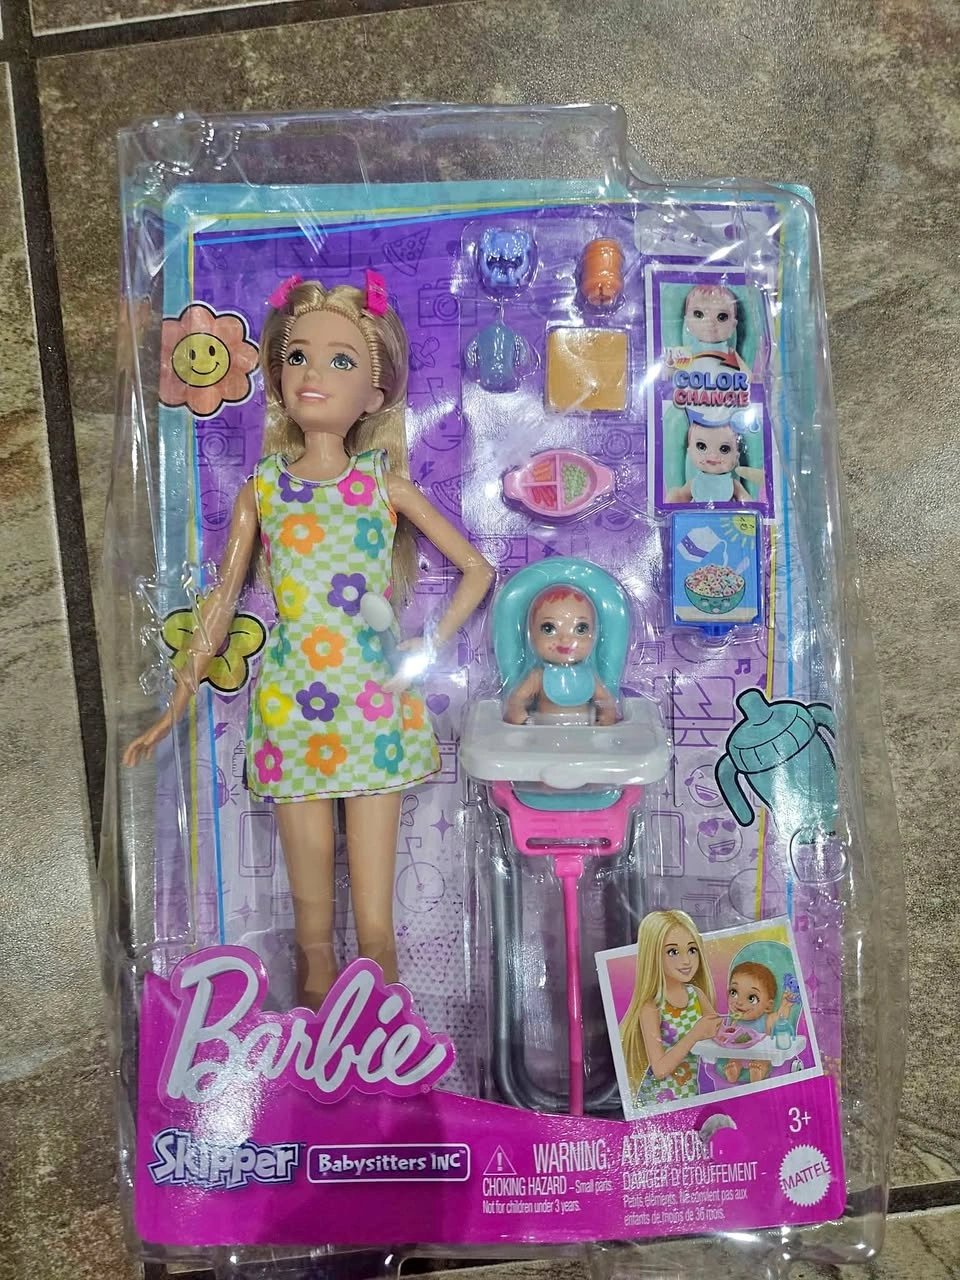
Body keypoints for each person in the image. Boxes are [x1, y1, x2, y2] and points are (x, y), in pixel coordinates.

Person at [124, 274, 494, 1009]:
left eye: (341, 360)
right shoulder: (263, 489)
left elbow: (477, 570)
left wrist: (424, 649)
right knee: (313, 935)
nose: (312, 374)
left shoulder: (382, 485)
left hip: (375, 704)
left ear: (376, 396)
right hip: (294, 710)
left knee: (377, 931)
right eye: (297, 356)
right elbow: (221, 601)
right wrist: (175, 703)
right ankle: (316, 1052)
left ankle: (381, 1052)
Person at [619, 909, 722, 1111]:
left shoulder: (696, 995)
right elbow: (659, 1069)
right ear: (653, 955)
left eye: (692, 950)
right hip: (657, 1103)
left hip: (689, 1095)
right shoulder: (652, 1006)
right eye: (673, 952)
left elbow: (717, 1034)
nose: (686, 961)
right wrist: (695, 1034)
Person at [502, 586, 618, 726]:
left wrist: (607, 714)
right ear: (531, 634)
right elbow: (518, 699)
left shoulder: (589, 676)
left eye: (581, 629)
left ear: (594, 634)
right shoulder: (538, 676)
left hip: (585, 730)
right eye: (548, 628)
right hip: (545, 729)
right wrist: (517, 713)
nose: (565, 640)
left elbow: (605, 700)